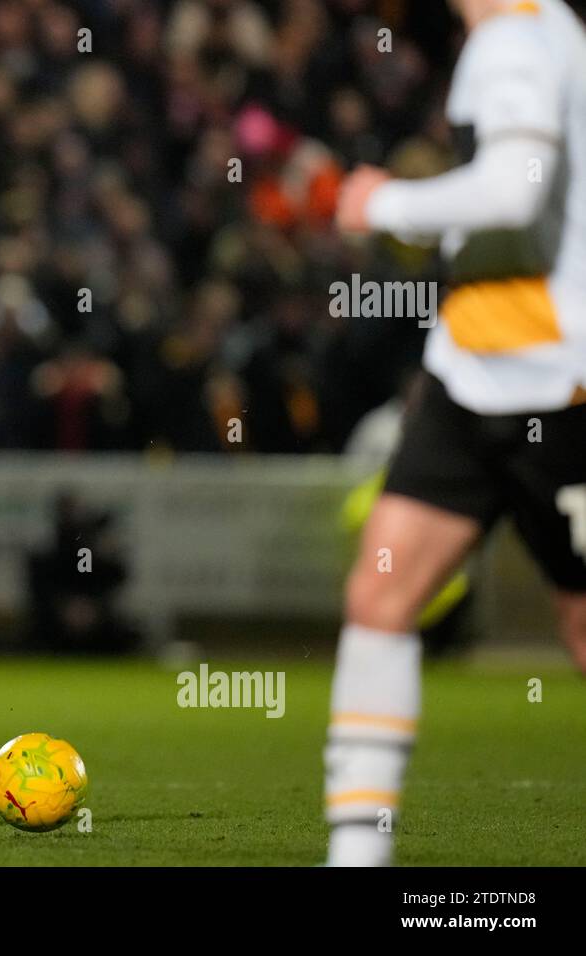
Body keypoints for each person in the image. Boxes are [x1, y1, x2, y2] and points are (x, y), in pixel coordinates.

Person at [326, 0, 586, 865]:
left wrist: (384, 200)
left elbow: (518, 189)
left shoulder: (515, 35)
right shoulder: (534, 30)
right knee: (380, 596)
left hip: (555, 380)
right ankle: (357, 857)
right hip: (472, 372)